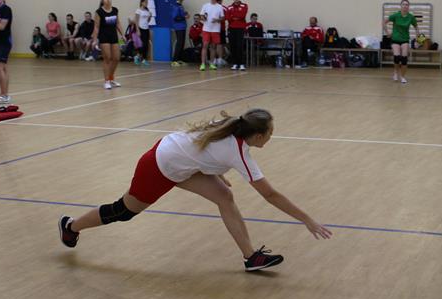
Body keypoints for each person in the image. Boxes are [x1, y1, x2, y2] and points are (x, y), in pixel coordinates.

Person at [58, 108, 332, 271]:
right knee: (124, 211)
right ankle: (71, 226)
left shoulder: (233, 130)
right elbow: (270, 195)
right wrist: (307, 219)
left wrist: (214, 172)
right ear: (259, 136)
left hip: (177, 160)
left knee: (225, 196)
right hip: (158, 165)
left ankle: (251, 258)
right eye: (270, 133)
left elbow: (204, 150)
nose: (271, 137)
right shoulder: (238, 152)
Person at [92, 0, 124, 90]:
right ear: (102, 0)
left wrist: (122, 35)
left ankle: (111, 78)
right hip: (104, 37)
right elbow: (96, 27)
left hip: (114, 36)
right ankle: (106, 81)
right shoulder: (99, 12)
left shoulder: (115, 10)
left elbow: (118, 23)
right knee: (107, 58)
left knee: (116, 58)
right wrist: (95, 40)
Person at [383, 0, 418, 84]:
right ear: (401, 6)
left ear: (408, 7)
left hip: (405, 40)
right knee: (397, 57)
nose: (405, 6)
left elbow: (416, 28)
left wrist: (417, 40)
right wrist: (387, 33)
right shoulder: (396, 15)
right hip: (395, 40)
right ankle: (395, 72)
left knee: (404, 59)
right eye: (403, 4)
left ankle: (402, 77)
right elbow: (384, 22)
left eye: (407, 5)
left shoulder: (411, 17)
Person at [200, 0, 225, 71]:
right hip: (206, 29)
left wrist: (217, 20)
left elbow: (222, 17)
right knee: (205, 45)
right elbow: (201, 15)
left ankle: (211, 63)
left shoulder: (219, 7)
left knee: (213, 47)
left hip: (215, 30)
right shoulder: (205, 6)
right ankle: (203, 64)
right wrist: (203, 18)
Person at [225, 0, 248, 70]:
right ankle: (235, 63)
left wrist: (233, 16)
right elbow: (228, 17)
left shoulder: (244, 5)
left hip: (240, 28)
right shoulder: (229, 7)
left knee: (240, 46)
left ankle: (241, 63)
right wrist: (235, 17)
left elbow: (242, 15)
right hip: (231, 28)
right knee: (232, 46)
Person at [134, 0, 154, 66]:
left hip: (146, 29)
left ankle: (143, 59)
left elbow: (148, 21)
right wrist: (137, 30)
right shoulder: (138, 10)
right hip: (140, 28)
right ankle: (137, 56)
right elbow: (136, 21)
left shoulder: (147, 11)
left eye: (147, 2)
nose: (146, 3)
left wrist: (150, 16)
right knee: (141, 45)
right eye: (145, 2)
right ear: (142, 3)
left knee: (146, 45)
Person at [171, 0, 188, 67]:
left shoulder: (181, 6)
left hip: (183, 26)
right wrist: (184, 17)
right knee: (179, 43)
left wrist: (185, 14)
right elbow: (175, 18)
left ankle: (179, 59)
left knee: (182, 43)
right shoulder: (176, 6)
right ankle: (174, 60)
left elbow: (181, 15)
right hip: (178, 27)